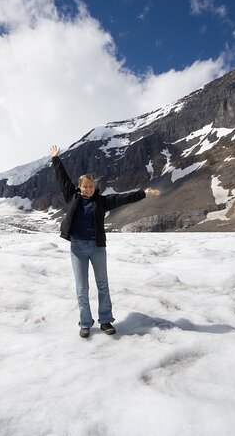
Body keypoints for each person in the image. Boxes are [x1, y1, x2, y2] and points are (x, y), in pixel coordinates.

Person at [49, 145, 161, 338]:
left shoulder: (101, 201)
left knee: (102, 285)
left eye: (91, 186)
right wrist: (56, 159)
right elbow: (62, 179)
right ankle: (85, 323)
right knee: (82, 289)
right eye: (85, 186)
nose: (88, 189)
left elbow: (122, 198)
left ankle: (106, 321)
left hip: (97, 248)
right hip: (77, 249)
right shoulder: (72, 197)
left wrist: (144, 193)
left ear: (95, 187)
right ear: (80, 187)